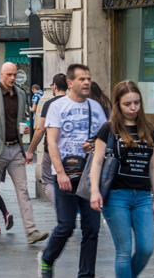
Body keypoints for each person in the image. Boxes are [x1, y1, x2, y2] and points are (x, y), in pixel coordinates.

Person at [39, 64, 107, 278]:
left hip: (90, 177)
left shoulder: (96, 108)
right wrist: (59, 173)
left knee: (92, 230)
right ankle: (47, 259)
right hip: (65, 174)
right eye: (81, 79)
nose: (86, 82)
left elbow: (105, 140)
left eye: (88, 78)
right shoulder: (57, 107)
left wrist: (94, 145)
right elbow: (51, 143)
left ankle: (86, 275)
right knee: (66, 226)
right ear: (70, 83)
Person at [88, 81, 154, 278]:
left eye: (136, 103)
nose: (133, 108)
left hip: (144, 197)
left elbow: (153, 166)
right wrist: (94, 190)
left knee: (146, 248)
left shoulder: (149, 129)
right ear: (118, 104)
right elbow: (96, 163)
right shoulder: (109, 129)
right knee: (123, 251)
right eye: (127, 104)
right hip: (116, 196)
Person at [0, 62, 48, 245]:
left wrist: (23, 130)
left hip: (16, 148)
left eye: (14, 74)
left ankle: (31, 231)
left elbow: (21, 119)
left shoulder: (21, 94)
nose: (12, 78)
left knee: (23, 190)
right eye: (9, 74)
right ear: (1, 74)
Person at [26, 73, 68, 206]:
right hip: (68, 149)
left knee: (47, 180)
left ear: (54, 86)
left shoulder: (49, 104)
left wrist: (30, 150)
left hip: (50, 149)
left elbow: (40, 129)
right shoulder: (71, 103)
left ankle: (60, 207)